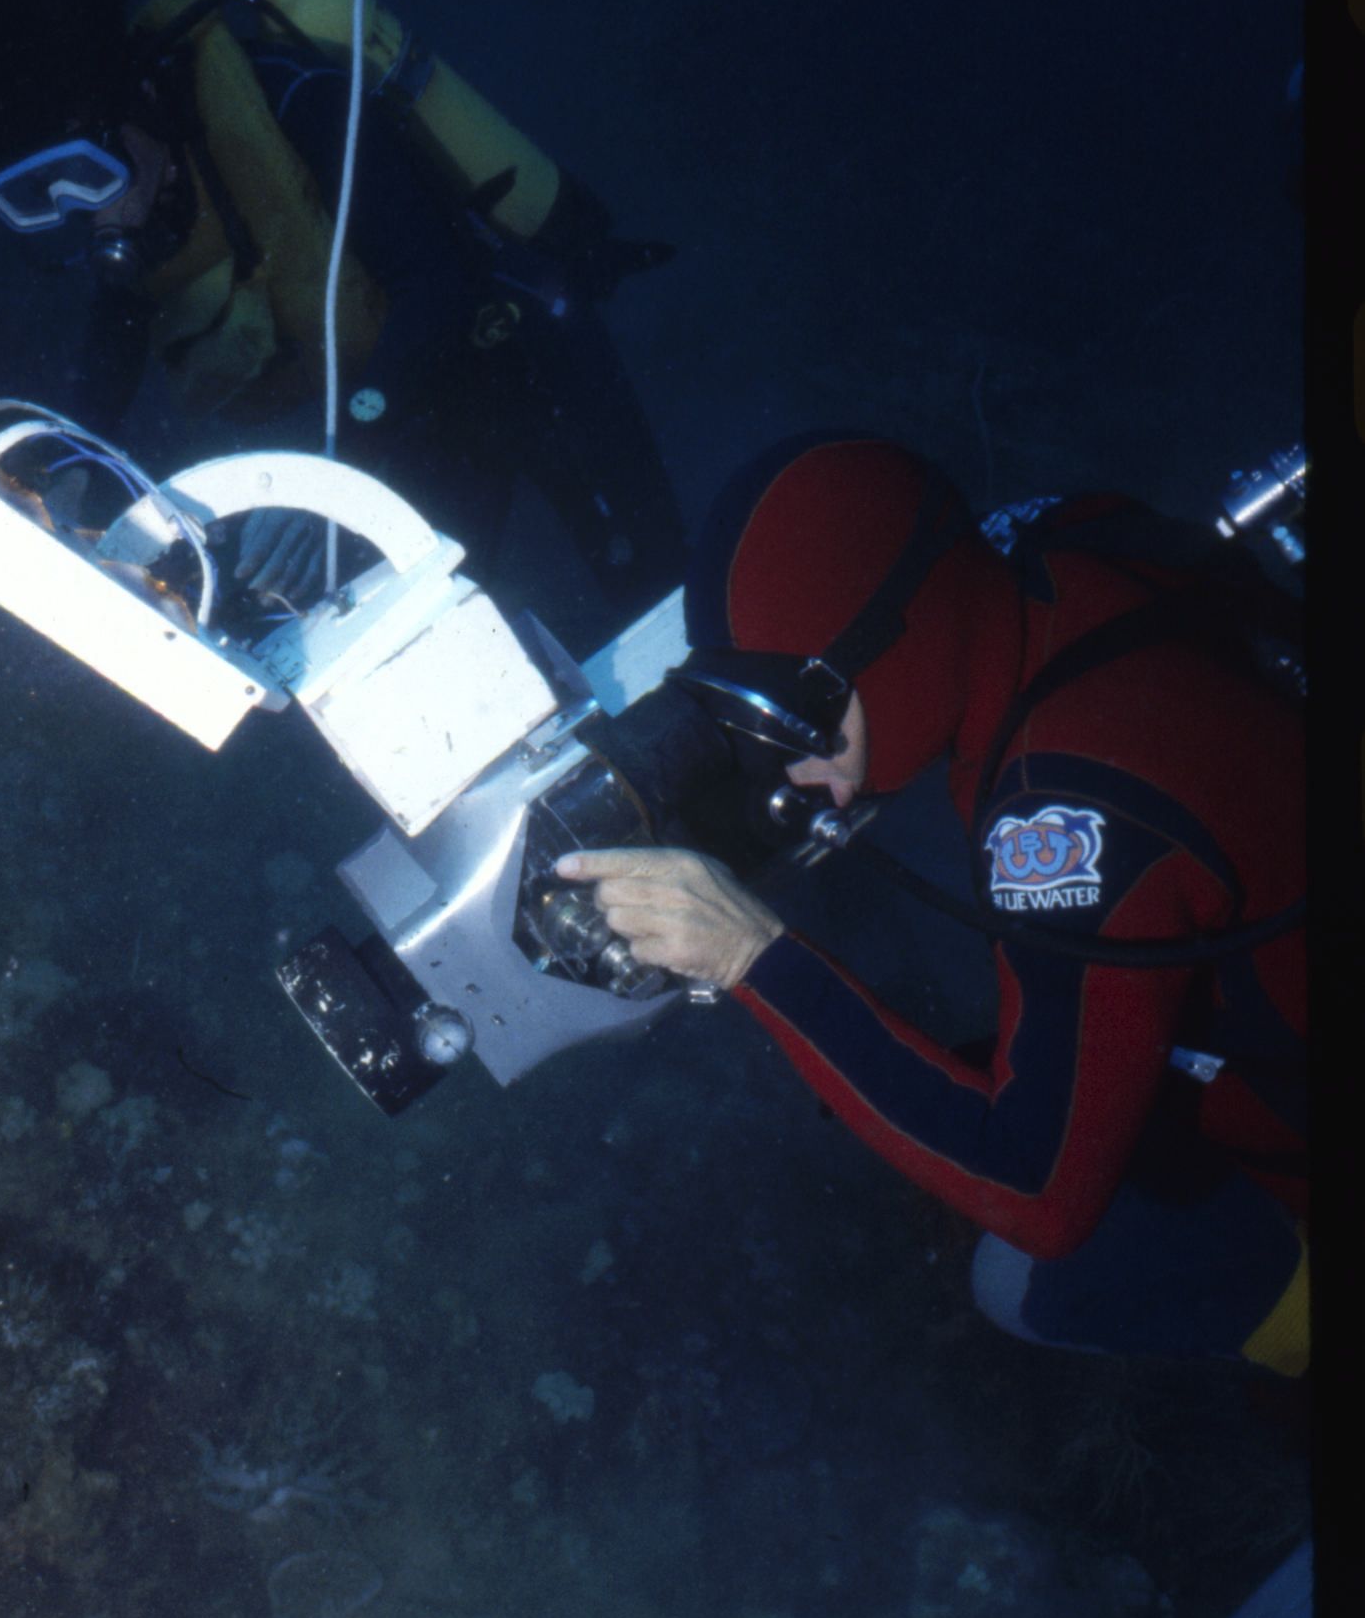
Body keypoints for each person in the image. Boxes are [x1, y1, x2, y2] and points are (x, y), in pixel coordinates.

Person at [558, 434, 1308, 1372]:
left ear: (892, 641)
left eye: (807, 719)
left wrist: (755, 959)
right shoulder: (1051, 548)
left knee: (1018, 1282)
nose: (799, 773)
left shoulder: (1063, 806)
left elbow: (1040, 1194)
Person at [0, 0, 687, 615]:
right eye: (43, 194)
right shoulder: (143, 209)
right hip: (412, 413)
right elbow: (106, 361)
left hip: (521, 350)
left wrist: (333, 474)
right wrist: (55, 468)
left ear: (141, 101)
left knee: (657, 595)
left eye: (90, 174)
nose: (85, 213)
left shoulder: (291, 102)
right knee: (413, 645)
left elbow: (435, 283)